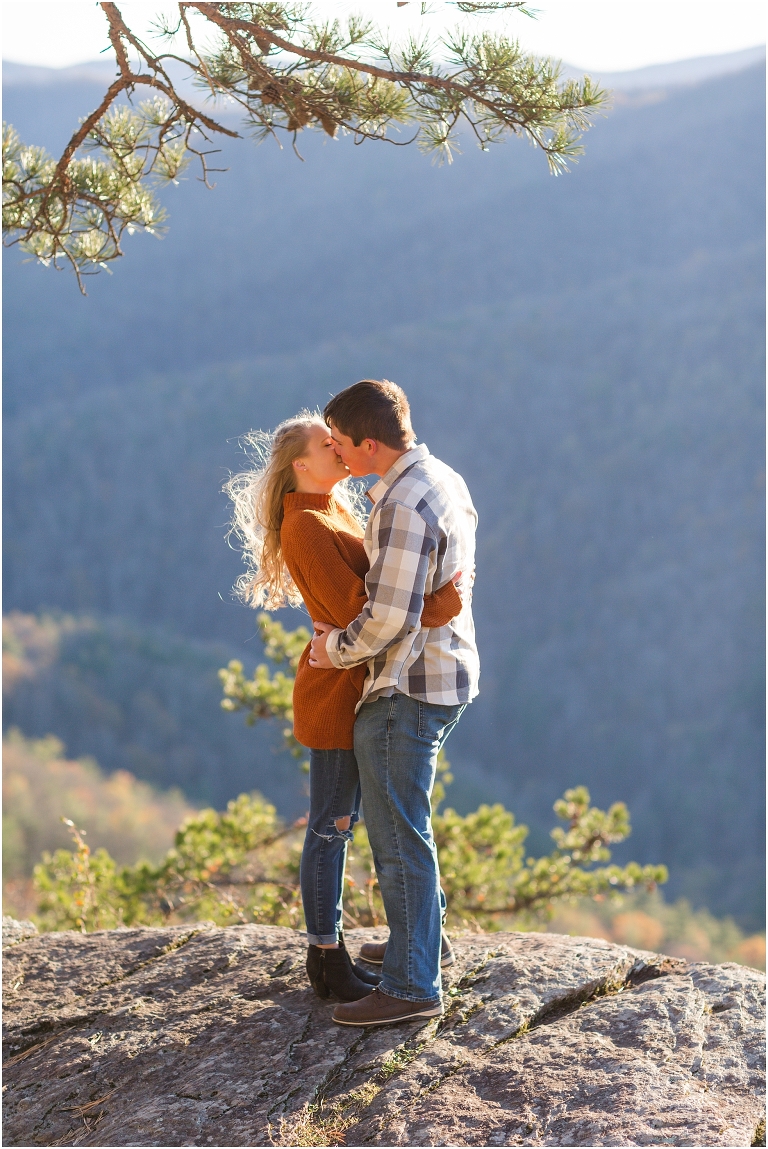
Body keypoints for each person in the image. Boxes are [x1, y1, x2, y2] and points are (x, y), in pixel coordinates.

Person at [226, 411, 462, 1003]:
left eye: (338, 441)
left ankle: (406, 937)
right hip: (335, 693)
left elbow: (374, 598)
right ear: (300, 464)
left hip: (354, 681)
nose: (339, 451)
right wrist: (440, 603)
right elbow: (366, 608)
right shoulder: (305, 526)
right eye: (326, 445)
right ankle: (324, 956)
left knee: (359, 821)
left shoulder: (332, 509)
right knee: (332, 826)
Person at [309, 379, 479, 1027]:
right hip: (447, 673)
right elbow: (448, 588)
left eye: (344, 445)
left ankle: (411, 984)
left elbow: (387, 618)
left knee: (397, 832)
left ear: (370, 442)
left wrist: (334, 651)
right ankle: (419, 942)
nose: (339, 454)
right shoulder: (444, 478)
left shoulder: (401, 504)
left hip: (407, 685)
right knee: (411, 820)